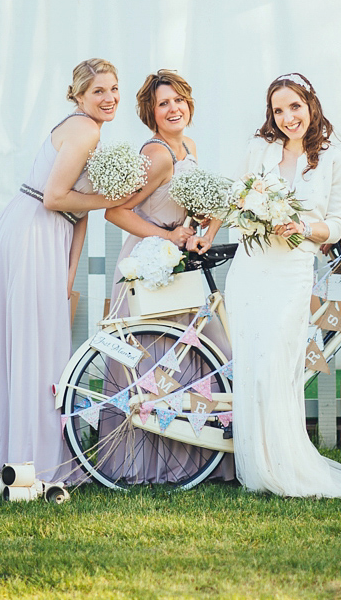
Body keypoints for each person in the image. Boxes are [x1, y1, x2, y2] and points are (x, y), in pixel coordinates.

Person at [192, 73, 341, 500]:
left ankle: (285, 466)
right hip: (251, 268)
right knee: (251, 363)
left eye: (295, 107)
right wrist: (209, 235)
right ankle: (256, 466)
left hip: (291, 272)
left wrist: (302, 226)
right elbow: (233, 196)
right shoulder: (259, 149)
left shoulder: (334, 159)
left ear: (311, 106)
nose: (288, 117)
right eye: (279, 110)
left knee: (279, 365)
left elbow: (336, 224)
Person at [0, 58, 132, 483]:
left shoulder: (90, 129)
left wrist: (68, 271)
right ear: (77, 96)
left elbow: (79, 213)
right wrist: (114, 199)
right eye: (98, 92)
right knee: (33, 344)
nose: (108, 98)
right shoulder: (85, 129)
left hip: (41, 233)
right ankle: (30, 457)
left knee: (35, 339)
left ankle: (20, 451)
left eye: (113, 89)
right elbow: (56, 198)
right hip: (34, 230)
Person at [102, 69, 233, 482]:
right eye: (163, 103)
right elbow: (116, 211)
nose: (173, 108)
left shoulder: (188, 147)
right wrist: (168, 235)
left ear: (188, 104)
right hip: (147, 268)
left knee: (200, 356)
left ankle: (195, 460)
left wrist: (199, 231)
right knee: (152, 365)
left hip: (176, 265)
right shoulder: (157, 155)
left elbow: (187, 206)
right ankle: (144, 465)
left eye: (178, 100)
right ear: (151, 113)